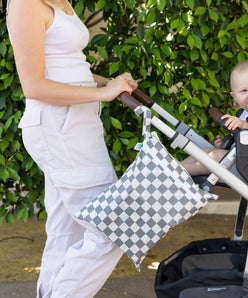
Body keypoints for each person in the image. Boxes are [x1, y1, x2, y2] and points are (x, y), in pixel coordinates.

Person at [6, 0, 138, 297]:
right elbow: (34, 85)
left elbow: (67, 66)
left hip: (78, 123)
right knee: (114, 227)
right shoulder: (26, 3)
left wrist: (108, 82)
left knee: (67, 233)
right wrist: (104, 93)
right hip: (59, 127)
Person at [181, 59, 248, 176]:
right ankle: (175, 165)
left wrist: (243, 125)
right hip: (237, 155)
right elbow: (240, 137)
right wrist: (226, 143)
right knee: (206, 151)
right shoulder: (243, 113)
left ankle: (178, 172)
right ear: (234, 97)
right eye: (244, 90)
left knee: (216, 157)